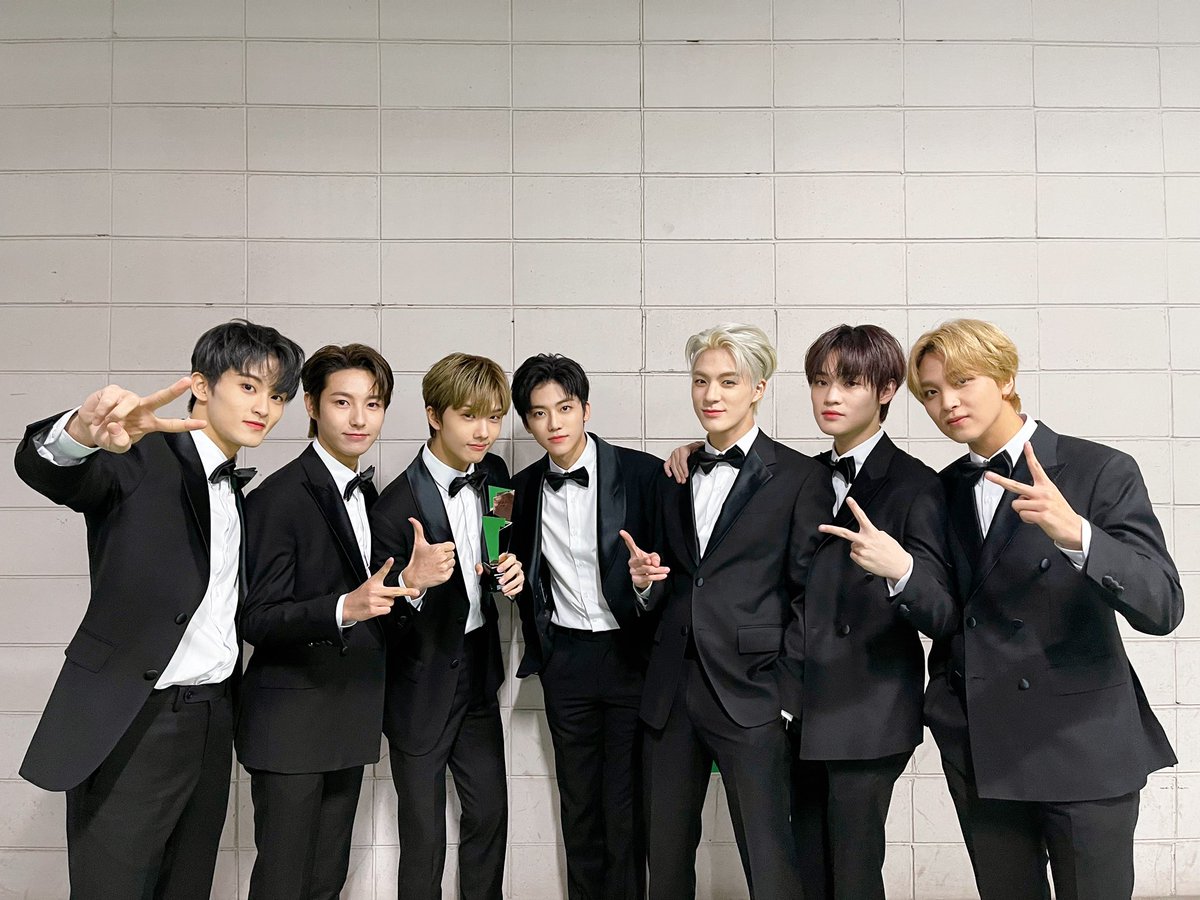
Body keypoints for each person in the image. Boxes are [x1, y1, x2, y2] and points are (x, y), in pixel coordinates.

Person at [13, 319, 304, 900]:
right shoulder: (137, 453)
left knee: (187, 886)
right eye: (249, 387)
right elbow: (46, 470)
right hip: (134, 720)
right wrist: (80, 433)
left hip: (212, 719)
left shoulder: (238, 492)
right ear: (200, 385)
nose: (264, 408)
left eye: (277, 397)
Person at [908, 318, 1184, 900]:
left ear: (1006, 378)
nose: (947, 402)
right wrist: (901, 575)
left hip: (1082, 741)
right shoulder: (939, 491)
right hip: (982, 742)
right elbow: (946, 615)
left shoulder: (1099, 469)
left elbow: (1162, 606)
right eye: (931, 392)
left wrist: (1079, 536)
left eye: (962, 380)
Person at [623, 323, 832, 899]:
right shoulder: (673, 474)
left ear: (758, 387)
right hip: (670, 690)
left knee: (770, 861)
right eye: (700, 381)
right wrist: (642, 585)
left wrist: (785, 695)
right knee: (665, 860)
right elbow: (671, 578)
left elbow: (808, 595)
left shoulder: (801, 478)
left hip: (752, 692)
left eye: (728, 381)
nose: (711, 395)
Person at [237, 343, 416, 899]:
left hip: (347, 716)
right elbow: (257, 618)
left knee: (325, 882)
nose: (360, 418)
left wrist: (410, 583)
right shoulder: (278, 496)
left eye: (373, 404)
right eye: (343, 402)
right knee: (283, 883)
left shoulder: (368, 494)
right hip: (291, 724)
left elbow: (373, 597)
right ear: (312, 406)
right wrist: (344, 608)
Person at [792, 324, 957, 900]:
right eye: (820, 382)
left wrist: (900, 570)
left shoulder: (917, 485)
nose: (830, 397)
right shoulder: (800, 477)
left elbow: (943, 614)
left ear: (887, 390)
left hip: (869, 708)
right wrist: (691, 453)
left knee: (854, 871)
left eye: (850, 383)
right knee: (805, 867)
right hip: (796, 704)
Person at [369, 352, 526, 900]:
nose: (484, 432)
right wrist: (410, 585)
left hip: (478, 675)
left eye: (494, 417)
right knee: (424, 836)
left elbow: (499, 538)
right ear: (435, 415)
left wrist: (507, 569)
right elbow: (377, 619)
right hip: (419, 684)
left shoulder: (496, 476)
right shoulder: (392, 507)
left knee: (490, 815)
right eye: (469, 416)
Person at [507, 353, 660, 899]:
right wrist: (502, 574)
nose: (555, 423)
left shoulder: (643, 474)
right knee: (578, 803)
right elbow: (494, 555)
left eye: (565, 408)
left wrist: (645, 584)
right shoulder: (517, 490)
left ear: (586, 410)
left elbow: (673, 570)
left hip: (630, 655)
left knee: (625, 802)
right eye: (540, 413)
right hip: (566, 660)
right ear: (528, 422)